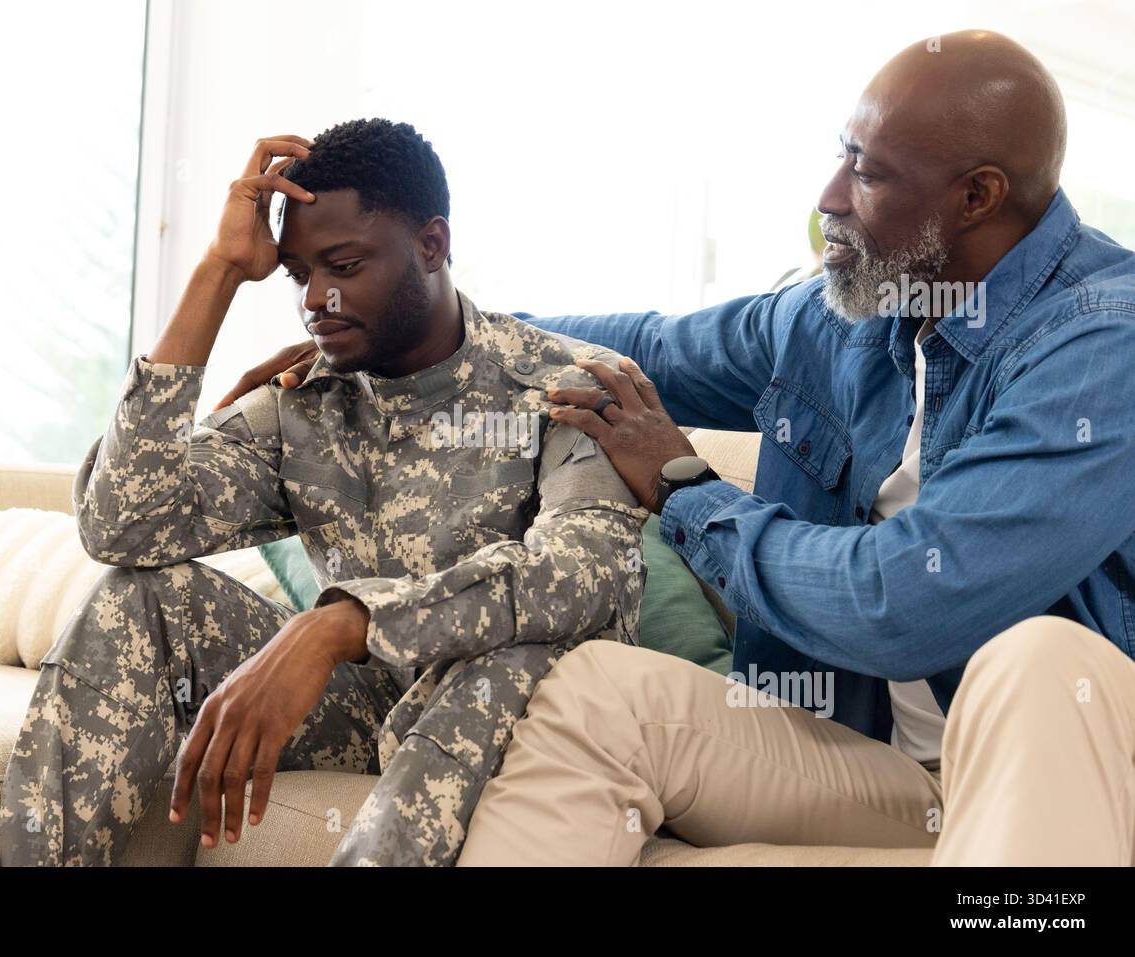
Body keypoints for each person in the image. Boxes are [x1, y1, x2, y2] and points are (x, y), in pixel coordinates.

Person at [224, 32, 1135, 866]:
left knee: (1040, 658)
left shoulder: (1103, 343)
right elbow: (645, 346)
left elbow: (904, 598)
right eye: (840, 154)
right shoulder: (842, 318)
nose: (827, 198)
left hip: (1070, 767)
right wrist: (400, 332)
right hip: (882, 771)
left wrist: (685, 489)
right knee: (590, 689)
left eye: (868, 173)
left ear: (975, 196)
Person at [0, 118, 648, 867]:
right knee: (141, 597)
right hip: (368, 704)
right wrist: (219, 273)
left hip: (521, 706)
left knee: (512, 658)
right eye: (300, 275)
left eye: (344, 264)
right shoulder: (306, 398)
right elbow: (122, 524)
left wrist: (338, 625)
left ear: (432, 245)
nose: (317, 299)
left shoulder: (570, 385)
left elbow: (583, 577)